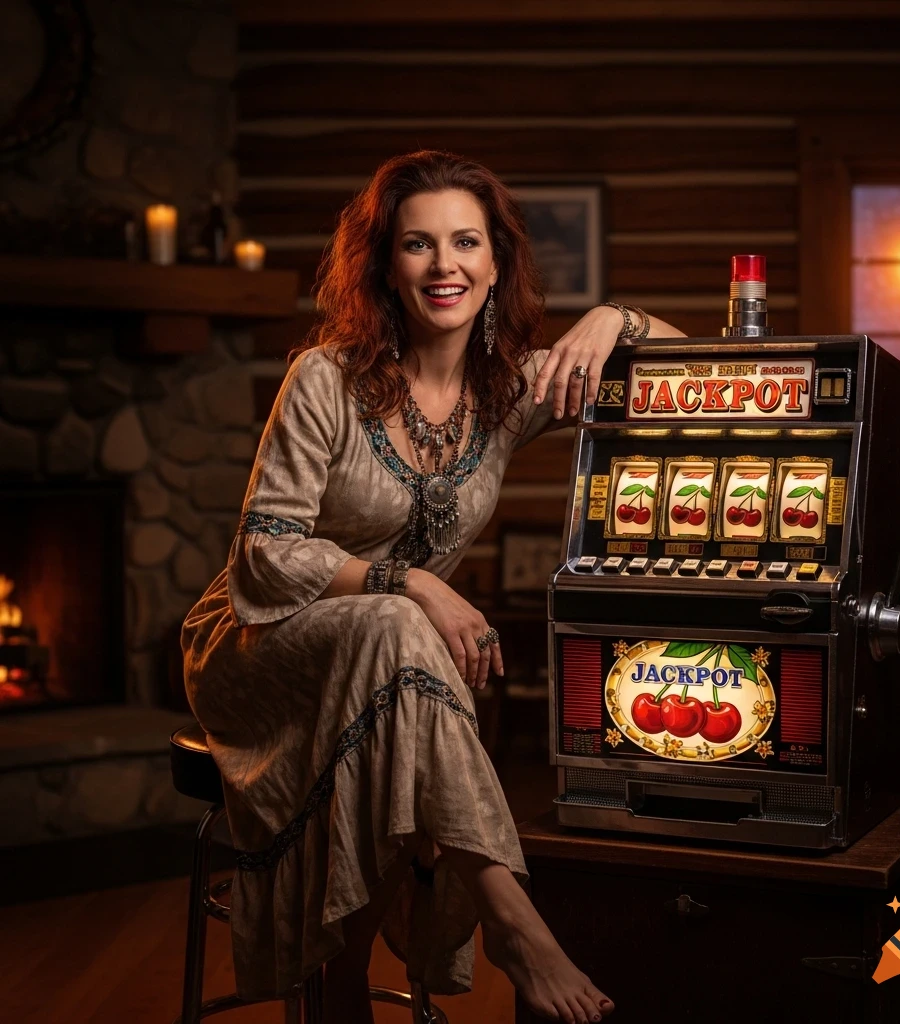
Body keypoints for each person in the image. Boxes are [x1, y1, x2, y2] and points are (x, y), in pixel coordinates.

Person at [181, 149, 686, 1024]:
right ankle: (512, 921)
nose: (443, 264)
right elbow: (263, 554)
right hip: (259, 645)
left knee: (396, 673)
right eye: (418, 244)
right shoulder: (325, 378)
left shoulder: (510, 391)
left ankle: (343, 994)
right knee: (396, 630)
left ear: (496, 263)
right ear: (385, 265)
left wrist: (614, 318)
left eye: (465, 242)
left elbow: (692, 365)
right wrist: (409, 581)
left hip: (392, 672)